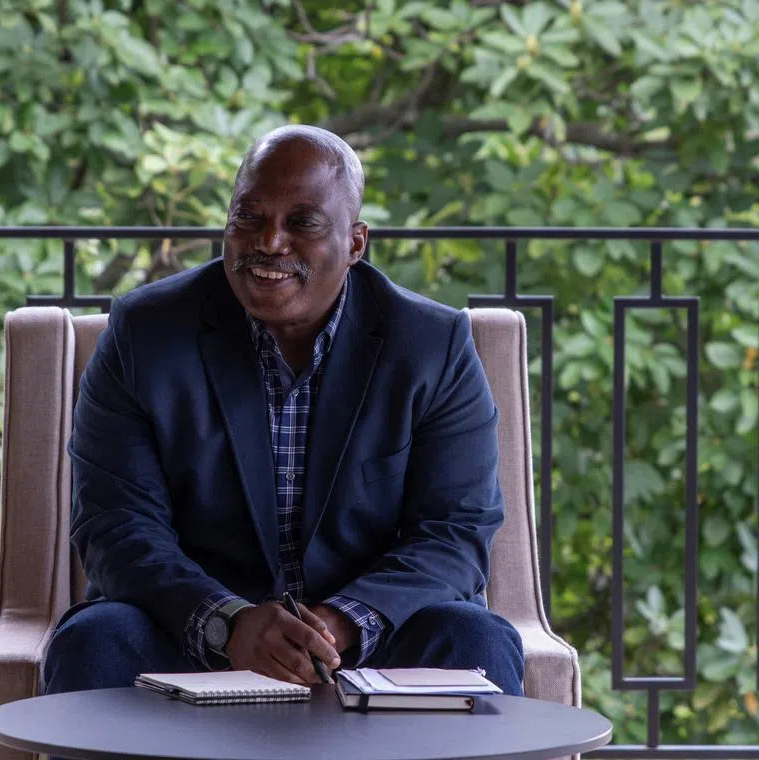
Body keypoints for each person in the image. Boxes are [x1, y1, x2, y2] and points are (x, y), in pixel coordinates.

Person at [42, 124, 524, 695]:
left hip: (369, 634)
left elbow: (454, 530)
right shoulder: (144, 334)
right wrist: (228, 624)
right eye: (248, 217)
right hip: (195, 630)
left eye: (302, 223)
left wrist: (341, 622)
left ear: (355, 243)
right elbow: (116, 526)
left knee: (475, 639)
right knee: (96, 637)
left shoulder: (430, 346)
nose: (268, 242)